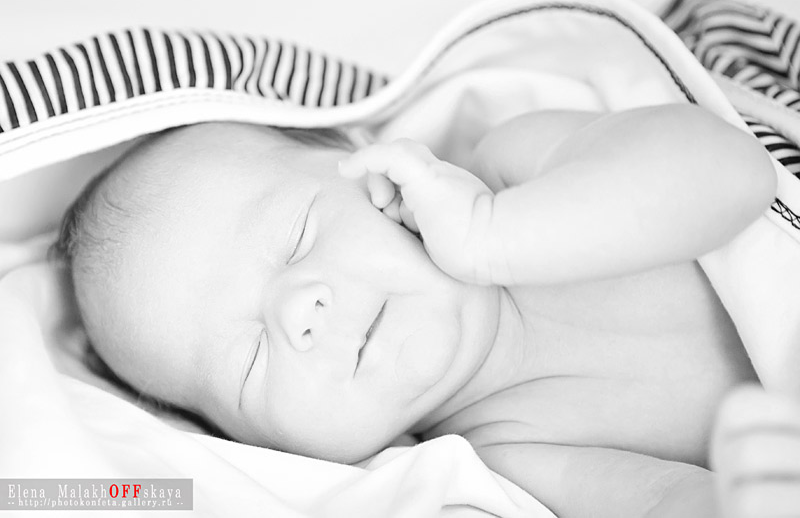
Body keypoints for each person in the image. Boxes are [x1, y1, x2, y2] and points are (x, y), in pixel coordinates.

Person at [53, 104, 800, 518]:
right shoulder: (504, 459)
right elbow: (667, 501)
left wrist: (493, 234)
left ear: (378, 166)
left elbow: (733, 171)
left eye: (297, 235)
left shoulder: (519, 166)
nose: (299, 312)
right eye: (248, 363)